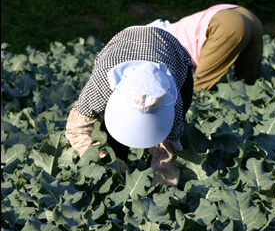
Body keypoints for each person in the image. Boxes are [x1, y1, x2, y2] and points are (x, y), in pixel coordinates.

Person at [65, 25, 193, 188]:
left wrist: (161, 189)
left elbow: (170, 146)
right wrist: (104, 157)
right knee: (113, 140)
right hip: (125, 43)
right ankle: (117, 172)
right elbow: (76, 129)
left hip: (171, 50)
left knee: (167, 141)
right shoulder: (103, 82)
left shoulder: (172, 97)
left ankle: (150, 168)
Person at [147, 4, 263, 91]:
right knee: (247, 87)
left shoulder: (152, 50)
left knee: (198, 91)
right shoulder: (159, 32)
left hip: (225, 23)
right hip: (247, 16)